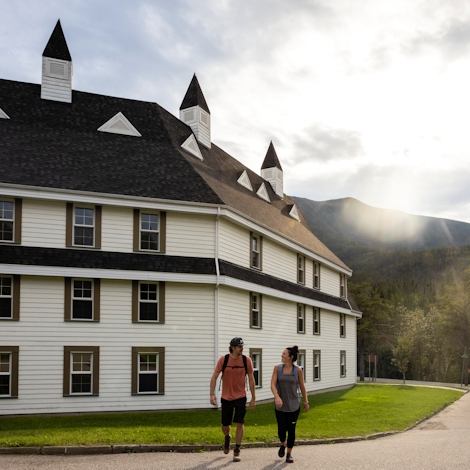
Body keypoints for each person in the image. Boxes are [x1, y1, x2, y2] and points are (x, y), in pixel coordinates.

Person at [210, 337, 256, 462]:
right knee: (225, 425)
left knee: (240, 422)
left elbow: (251, 379)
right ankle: (227, 437)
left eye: (242, 346)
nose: (242, 348)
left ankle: (237, 449)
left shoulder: (247, 361)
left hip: (241, 396)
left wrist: (253, 398)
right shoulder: (223, 360)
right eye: (239, 346)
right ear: (233, 347)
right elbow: (214, 377)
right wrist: (212, 394)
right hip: (226, 397)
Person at [270, 345, 309, 464]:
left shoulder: (298, 370)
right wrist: (277, 397)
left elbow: (302, 387)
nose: (282, 355)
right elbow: (272, 385)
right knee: (281, 430)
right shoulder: (277, 368)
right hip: (280, 406)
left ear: (291, 357)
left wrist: (306, 402)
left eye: (284, 354)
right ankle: (283, 444)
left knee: (291, 430)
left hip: (294, 406)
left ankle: (289, 454)